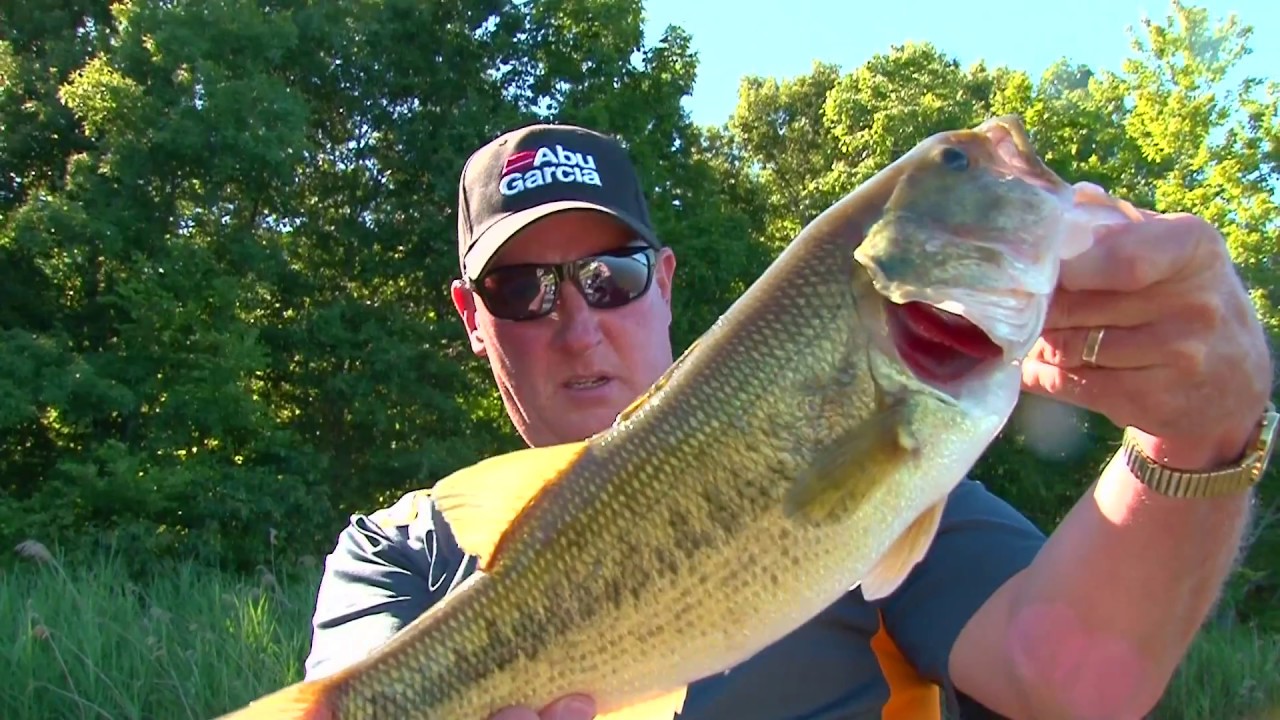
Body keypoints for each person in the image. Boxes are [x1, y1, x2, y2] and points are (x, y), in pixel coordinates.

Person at [301, 122, 1275, 719]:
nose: (575, 322)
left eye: (611, 277)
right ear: (472, 321)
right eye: (521, 288)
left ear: (666, 284)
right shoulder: (396, 551)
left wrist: (1197, 434)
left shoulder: (901, 471)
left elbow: (1071, 681)